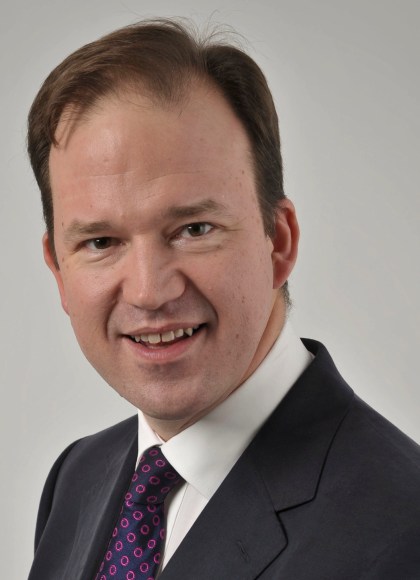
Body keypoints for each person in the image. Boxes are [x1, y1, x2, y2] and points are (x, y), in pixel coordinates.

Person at [27, 18, 420, 580]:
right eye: (100, 242)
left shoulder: (403, 529)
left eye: (194, 229)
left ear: (277, 241)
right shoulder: (77, 478)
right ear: (59, 271)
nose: (148, 291)